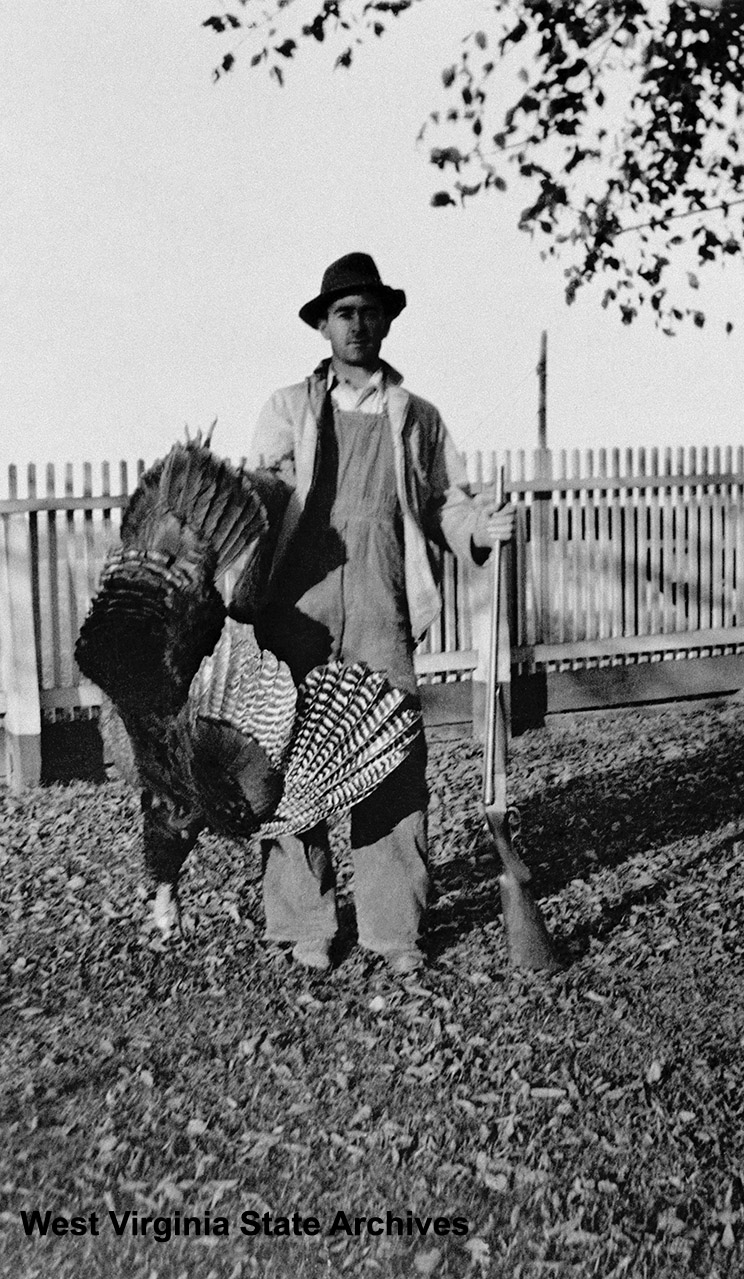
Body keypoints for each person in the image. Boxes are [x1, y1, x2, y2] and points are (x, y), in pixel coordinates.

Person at [234, 252, 514, 975]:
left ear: (388, 320)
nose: (358, 324)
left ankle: (394, 930)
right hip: (300, 615)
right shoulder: (288, 408)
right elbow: (260, 499)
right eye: (344, 312)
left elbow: (446, 502)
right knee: (294, 768)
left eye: (370, 311)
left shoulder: (417, 418)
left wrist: (479, 530)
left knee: (389, 762)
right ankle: (308, 925)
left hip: (382, 611)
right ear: (324, 326)